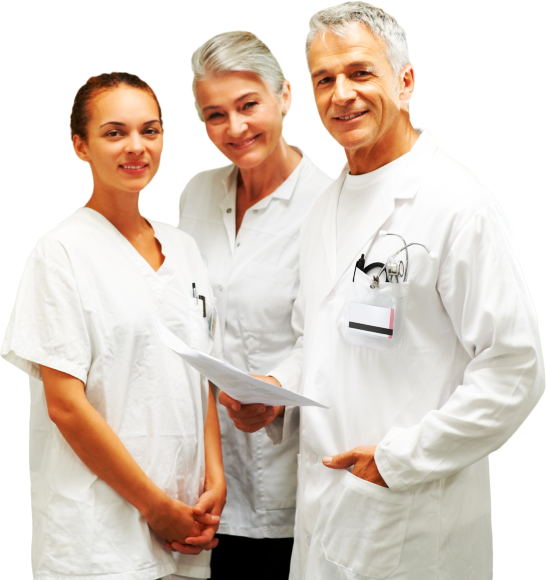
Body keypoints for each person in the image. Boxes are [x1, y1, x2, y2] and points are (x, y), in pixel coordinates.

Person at [218, 2, 544, 579]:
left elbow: (514, 371)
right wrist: (275, 390)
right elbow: (314, 342)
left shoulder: (456, 204)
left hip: (410, 519)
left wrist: (399, 460)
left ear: (405, 79)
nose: (342, 94)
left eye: (360, 72)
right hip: (326, 509)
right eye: (325, 79)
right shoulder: (325, 207)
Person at [2, 72, 226, 580]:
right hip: (98, 539)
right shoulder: (60, 252)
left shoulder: (184, 249)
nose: (136, 147)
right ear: (80, 144)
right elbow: (65, 405)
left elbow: (202, 375)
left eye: (150, 131)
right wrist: (154, 507)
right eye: (114, 132)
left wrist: (216, 476)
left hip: (187, 518)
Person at [177, 30, 333, 579]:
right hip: (202, 473)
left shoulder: (329, 205)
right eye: (215, 115)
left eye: (248, 105)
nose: (235, 129)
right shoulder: (196, 194)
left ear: (284, 96)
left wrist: (273, 390)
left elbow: (328, 335)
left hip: (285, 469)